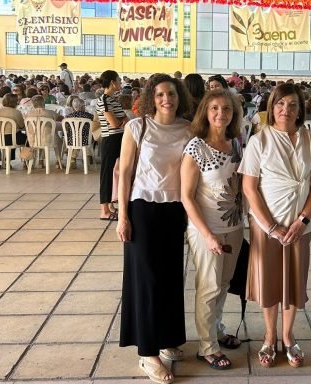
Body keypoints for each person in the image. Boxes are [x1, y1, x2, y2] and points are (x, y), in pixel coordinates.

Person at [238, 83, 311, 369]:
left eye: (292, 105)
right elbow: (249, 188)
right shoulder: (258, 141)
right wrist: (271, 227)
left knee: (293, 282)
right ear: (271, 107)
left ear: (300, 110)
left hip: (299, 225)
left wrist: (303, 220)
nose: (285, 110)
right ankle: (269, 336)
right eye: (280, 104)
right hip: (266, 225)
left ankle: (288, 337)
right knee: (269, 282)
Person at [117, 73, 193, 384]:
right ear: (152, 97)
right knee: (146, 280)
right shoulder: (137, 126)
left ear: (180, 97)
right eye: (160, 94)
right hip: (143, 209)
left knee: (171, 277)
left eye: (171, 94)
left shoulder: (188, 129)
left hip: (175, 209)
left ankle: (167, 338)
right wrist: (122, 215)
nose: (166, 99)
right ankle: (147, 353)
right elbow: (123, 173)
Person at [180, 89, 244, 370]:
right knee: (208, 287)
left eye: (227, 109)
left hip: (234, 227)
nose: (221, 114)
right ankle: (207, 347)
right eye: (215, 108)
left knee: (224, 284)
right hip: (206, 230)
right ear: (205, 112)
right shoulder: (196, 147)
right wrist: (207, 235)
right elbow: (186, 196)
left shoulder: (237, 143)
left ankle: (216, 331)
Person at [96, 70, 128, 221]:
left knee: (118, 172)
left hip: (120, 138)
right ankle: (104, 209)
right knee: (107, 174)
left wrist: (121, 120)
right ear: (112, 83)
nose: (120, 83)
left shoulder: (114, 100)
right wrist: (120, 120)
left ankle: (110, 205)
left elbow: (124, 118)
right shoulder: (103, 100)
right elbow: (114, 123)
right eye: (118, 80)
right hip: (110, 139)